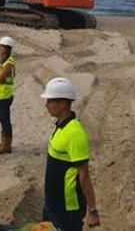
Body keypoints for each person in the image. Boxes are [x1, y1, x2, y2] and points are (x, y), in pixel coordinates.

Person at [41, 77, 100, 231]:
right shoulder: (60, 126)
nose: (46, 105)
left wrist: (92, 211)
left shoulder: (75, 134)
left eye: (50, 101)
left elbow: (85, 176)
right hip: (52, 203)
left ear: (63, 104)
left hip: (67, 209)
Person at [0, 36, 16, 155]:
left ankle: (6, 145)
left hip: (4, 95)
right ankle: (4, 142)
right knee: (2, 118)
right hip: (2, 94)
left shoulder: (9, 63)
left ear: (6, 48)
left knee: (4, 119)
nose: (0, 49)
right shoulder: (5, 62)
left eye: (1, 47)